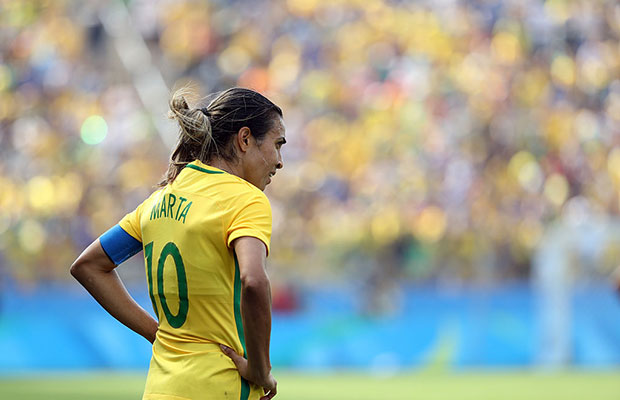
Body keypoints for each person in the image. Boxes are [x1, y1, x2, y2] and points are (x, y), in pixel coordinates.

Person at [71, 87, 285, 400]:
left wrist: (156, 334)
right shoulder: (246, 200)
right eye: (277, 145)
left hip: (160, 388)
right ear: (244, 139)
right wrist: (259, 368)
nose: (279, 161)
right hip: (219, 387)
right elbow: (253, 281)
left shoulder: (159, 200)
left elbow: (89, 265)